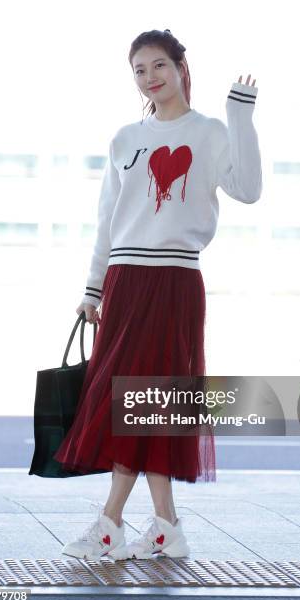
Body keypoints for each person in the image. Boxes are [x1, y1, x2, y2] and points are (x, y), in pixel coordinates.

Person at [53, 28, 262, 562]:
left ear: (179, 67)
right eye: (140, 71)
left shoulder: (211, 132)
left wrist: (240, 116)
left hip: (174, 281)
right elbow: (107, 220)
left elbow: (249, 190)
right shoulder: (125, 138)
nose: (150, 78)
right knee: (143, 403)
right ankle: (165, 526)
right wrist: (91, 288)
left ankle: (110, 524)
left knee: (147, 403)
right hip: (124, 281)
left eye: (159, 66)